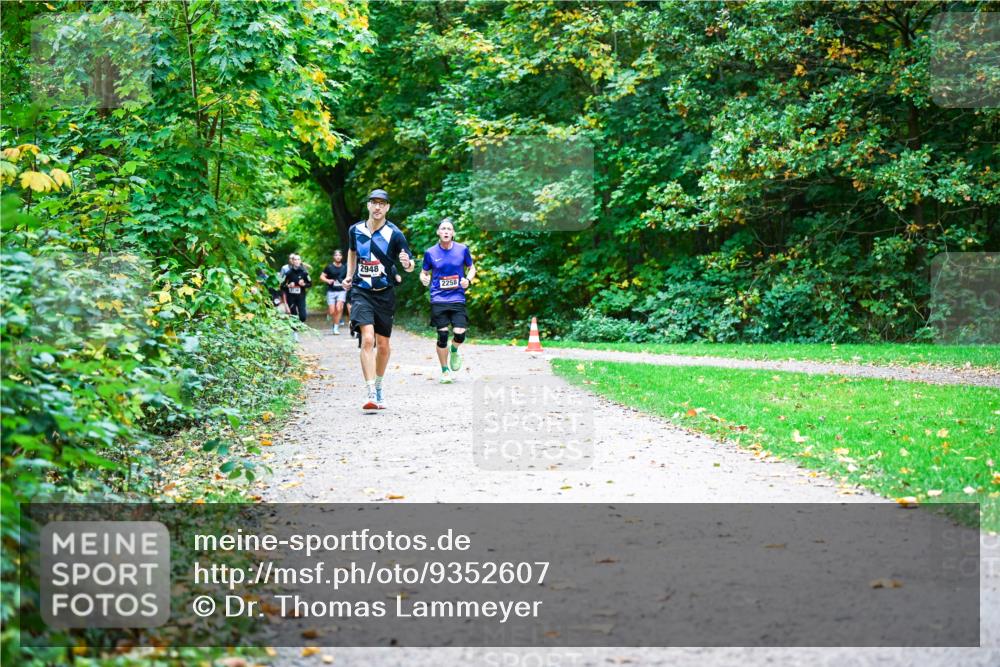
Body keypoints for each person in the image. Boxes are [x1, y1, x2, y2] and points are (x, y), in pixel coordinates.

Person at [342, 189, 415, 410]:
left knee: (383, 345)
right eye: (373, 203)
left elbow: (409, 264)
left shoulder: (395, 234)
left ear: (387, 208)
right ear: (368, 206)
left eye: (382, 204)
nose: (377, 207)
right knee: (367, 339)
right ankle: (371, 391)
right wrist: (349, 274)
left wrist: (406, 263)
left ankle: (380, 386)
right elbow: (352, 252)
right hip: (361, 291)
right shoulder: (355, 230)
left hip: (384, 293)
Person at [420, 217, 475, 383]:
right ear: (438, 232)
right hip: (438, 298)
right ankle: (445, 371)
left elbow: (471, 268)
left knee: (460, 334)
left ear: (453, 233)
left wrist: (468, 280)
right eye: (443, 229)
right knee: (442, 335)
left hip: (457, 297)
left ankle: (454, 350)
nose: (446, 231)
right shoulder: (430, 252)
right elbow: (424, 272)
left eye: (449, 229)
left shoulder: (462, 249)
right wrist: (423, 278)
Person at [320, 249, 348, 334]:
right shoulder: (329, 267)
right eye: (336, 255)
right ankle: (335, 318)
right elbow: (322, 277)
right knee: (332, 311)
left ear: (342, 257)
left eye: (339, 255)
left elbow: (348, 277)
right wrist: (328, 281)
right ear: (333, 257)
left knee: (339, 308)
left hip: (341, 291)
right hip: (331, 291)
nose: (338, 257)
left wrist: (347, 284)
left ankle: (336, 327)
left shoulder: (344, 267)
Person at [282, 253, 311, 323]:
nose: (297, 261)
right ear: (292, 261)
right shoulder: (288, 273)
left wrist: (304, 284)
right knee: (293, 315)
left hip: (301, 296)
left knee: (303, 316)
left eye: (298, 259)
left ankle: (298, 325)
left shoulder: (304, 273)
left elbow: (310, 284)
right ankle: (294, 332)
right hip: (291, 297)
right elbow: (281, 285)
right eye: (295, 260)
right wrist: (288, 285)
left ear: (300, 261)